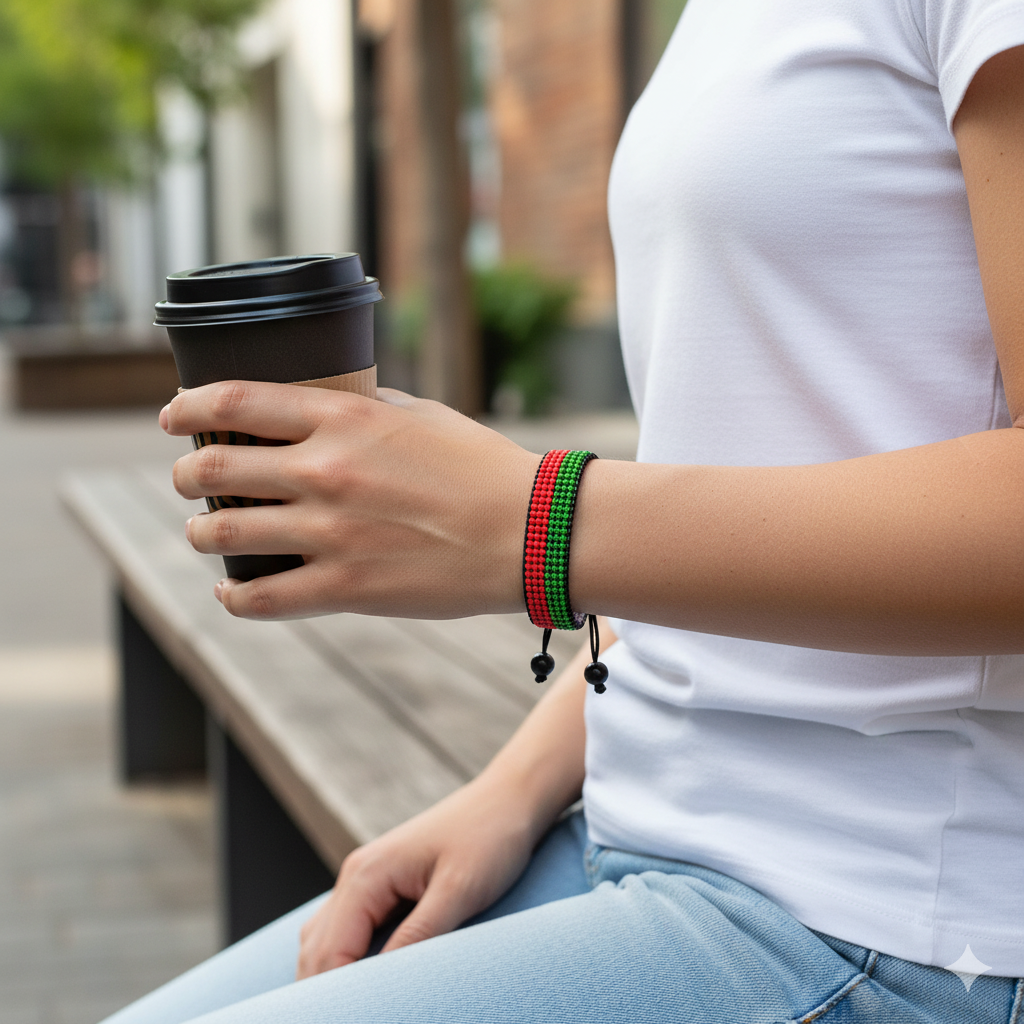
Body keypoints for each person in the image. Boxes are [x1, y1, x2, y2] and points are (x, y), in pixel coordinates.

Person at [103, 0, 1024, 1020]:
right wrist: (514, 786)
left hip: (876, 912)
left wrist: (538, 521)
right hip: (632, 824)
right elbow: (746, 470)